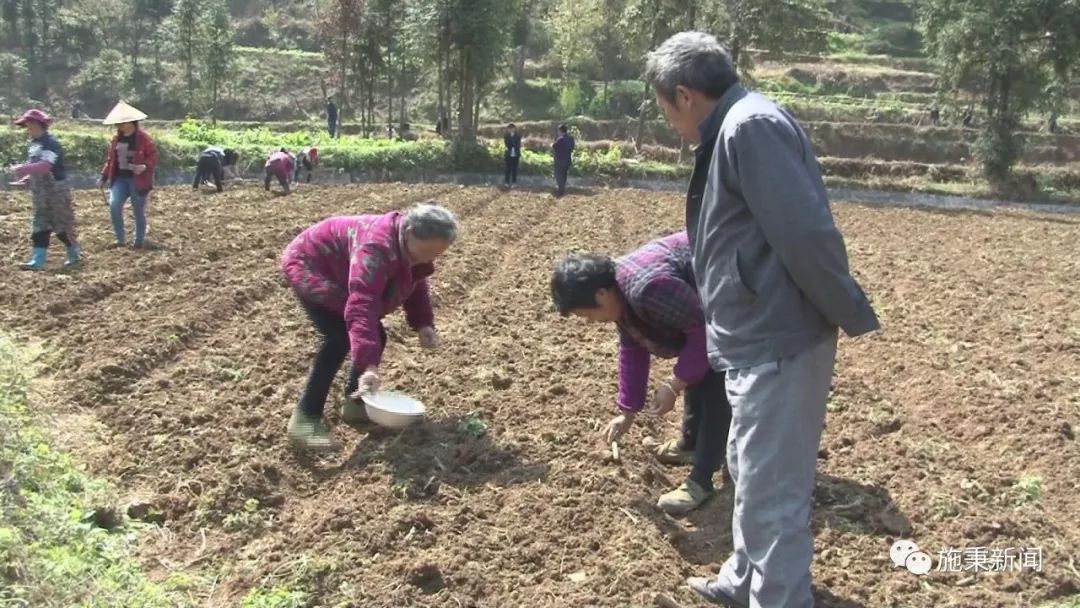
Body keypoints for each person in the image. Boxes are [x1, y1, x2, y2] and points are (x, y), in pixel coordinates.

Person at [645, 32, 880, 607]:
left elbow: (806, 235)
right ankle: (743, 578)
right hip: (754, 334)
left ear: (684, 94)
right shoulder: (734, 126)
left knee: (773, 486)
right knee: (749, 469)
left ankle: (776, 598)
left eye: (664, 109)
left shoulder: (750, 127)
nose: (668, 122)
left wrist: (844, 308)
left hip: (780, 335)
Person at [551, 232, 733, 516]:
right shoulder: (619, 295)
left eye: (586, 314)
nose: (590, 321)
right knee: (698, 367)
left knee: (713, 377)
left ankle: (702, 478)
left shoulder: (648, 288)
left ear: (601, 294)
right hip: (705, 305)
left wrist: (674, 385)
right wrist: (628, 411)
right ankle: (691, 444)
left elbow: (706, 335)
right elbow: (633, 346)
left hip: (734, 289)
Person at [280, 203, 458, 451]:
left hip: (342, 268)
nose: (427, 260)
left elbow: (415, 280)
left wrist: (423, 324)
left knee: (377, 335)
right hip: (312, 264)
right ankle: (305, 420)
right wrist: (369, 367)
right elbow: (361, 305)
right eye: (424, 253)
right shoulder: (375, 249)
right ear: (407, 233)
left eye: (434, 256)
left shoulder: (410, 250)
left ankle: (356, 403)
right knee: (339, 338)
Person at [7, 109, 79, 270]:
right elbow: (35, 168)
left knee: (61, 226)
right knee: (40, 226)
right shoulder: (34, 145)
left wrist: (23, 168)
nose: (27, 129)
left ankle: (74, 254)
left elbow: (46, 166)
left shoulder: (51, 143)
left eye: (28, 125)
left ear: (36, 124)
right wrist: (26, 180)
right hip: (40, 194)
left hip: (56, 193)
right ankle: (37, 260)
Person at [100, 101, 158, 249]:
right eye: (117, 123)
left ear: (131, 122)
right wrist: (104, 177)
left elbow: (153, 157)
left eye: (122, 122)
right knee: (114, 206)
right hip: (119, 178)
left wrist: (144, 166)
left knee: (138, 210)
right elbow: (111, 160)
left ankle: (139, 241)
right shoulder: (116, 139)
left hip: (137, 180)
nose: (119, 125)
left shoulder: (144, 138)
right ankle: (120, 239)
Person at [552, 123, 575, 197]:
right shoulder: (571, 138)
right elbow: (572, 148)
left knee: (558, 175)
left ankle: (560, 190)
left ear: (560, 131)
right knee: (564, 174)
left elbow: (554, 146)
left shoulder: (560, 139)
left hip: (559, 160)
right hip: (567, 159)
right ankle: (562, 188)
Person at [503, 123, 522, 187]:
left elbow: (518, 144)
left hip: (516, 153)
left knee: (514, 169)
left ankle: (514, 182)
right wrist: (511, 147)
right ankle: (506, 182)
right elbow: (506, 144)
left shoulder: (518, 135)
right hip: (509, 153)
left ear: (515, 129)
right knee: (508, 168)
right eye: (509, 128)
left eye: (512, 128)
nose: (511, 130)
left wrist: (515, 147)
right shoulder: (506, 136)